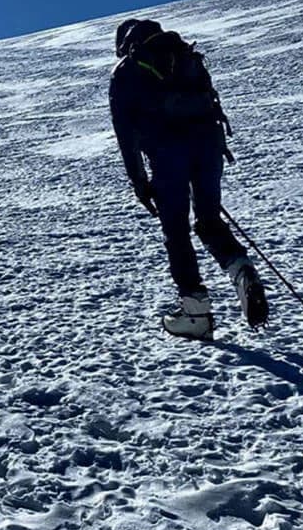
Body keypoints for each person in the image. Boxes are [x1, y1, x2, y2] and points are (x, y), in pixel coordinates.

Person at [109, 19, 269, 340]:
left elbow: (126, 136)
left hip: (168, 157)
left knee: (177, 230)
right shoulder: (187, 58)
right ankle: (242, 272)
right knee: (210, 221)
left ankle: (196, 313)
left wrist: (140, 184)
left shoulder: (127, 71)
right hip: (208, 149)